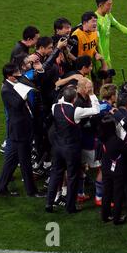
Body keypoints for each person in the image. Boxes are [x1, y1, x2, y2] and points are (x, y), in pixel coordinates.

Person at [46, 86, 100, 214]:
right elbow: (96, 110)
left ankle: (49, 203)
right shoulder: (76, 110)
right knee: (72, 177)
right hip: (71, 148)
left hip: (57, 147)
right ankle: (70, 207)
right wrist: (92, 94)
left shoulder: (55, 107)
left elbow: (59, 101)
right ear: (74, 98)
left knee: (55, 174)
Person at [0, 63, 44, 198]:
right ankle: (32, 191)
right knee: (25, 161)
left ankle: (0, 188)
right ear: (9, 76)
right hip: (19, 131)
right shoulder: (6, 89)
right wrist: (23, 94)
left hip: (18, 130)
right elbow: (16, 105)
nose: (19, 74)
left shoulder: (14, 83)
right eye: (16, 73)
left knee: (11, 161)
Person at [97, 114, 127, 225]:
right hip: (118, 169)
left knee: (107, 192)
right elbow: (126, 152)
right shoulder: (117, 141)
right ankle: (117, 218)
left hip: (105, 167)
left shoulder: (101, 140)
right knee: (118, 193)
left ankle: (105, 216)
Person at [70, 12, 107, 92]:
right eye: (93, 21)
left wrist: (96, 53)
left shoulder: (94, 32)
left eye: (96, 21)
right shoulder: (76, 36)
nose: (95, 24)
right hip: (79, 70)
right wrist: (79, 63)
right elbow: (70, 55)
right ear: (84, 23)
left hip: (88, 68)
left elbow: (92, 46)